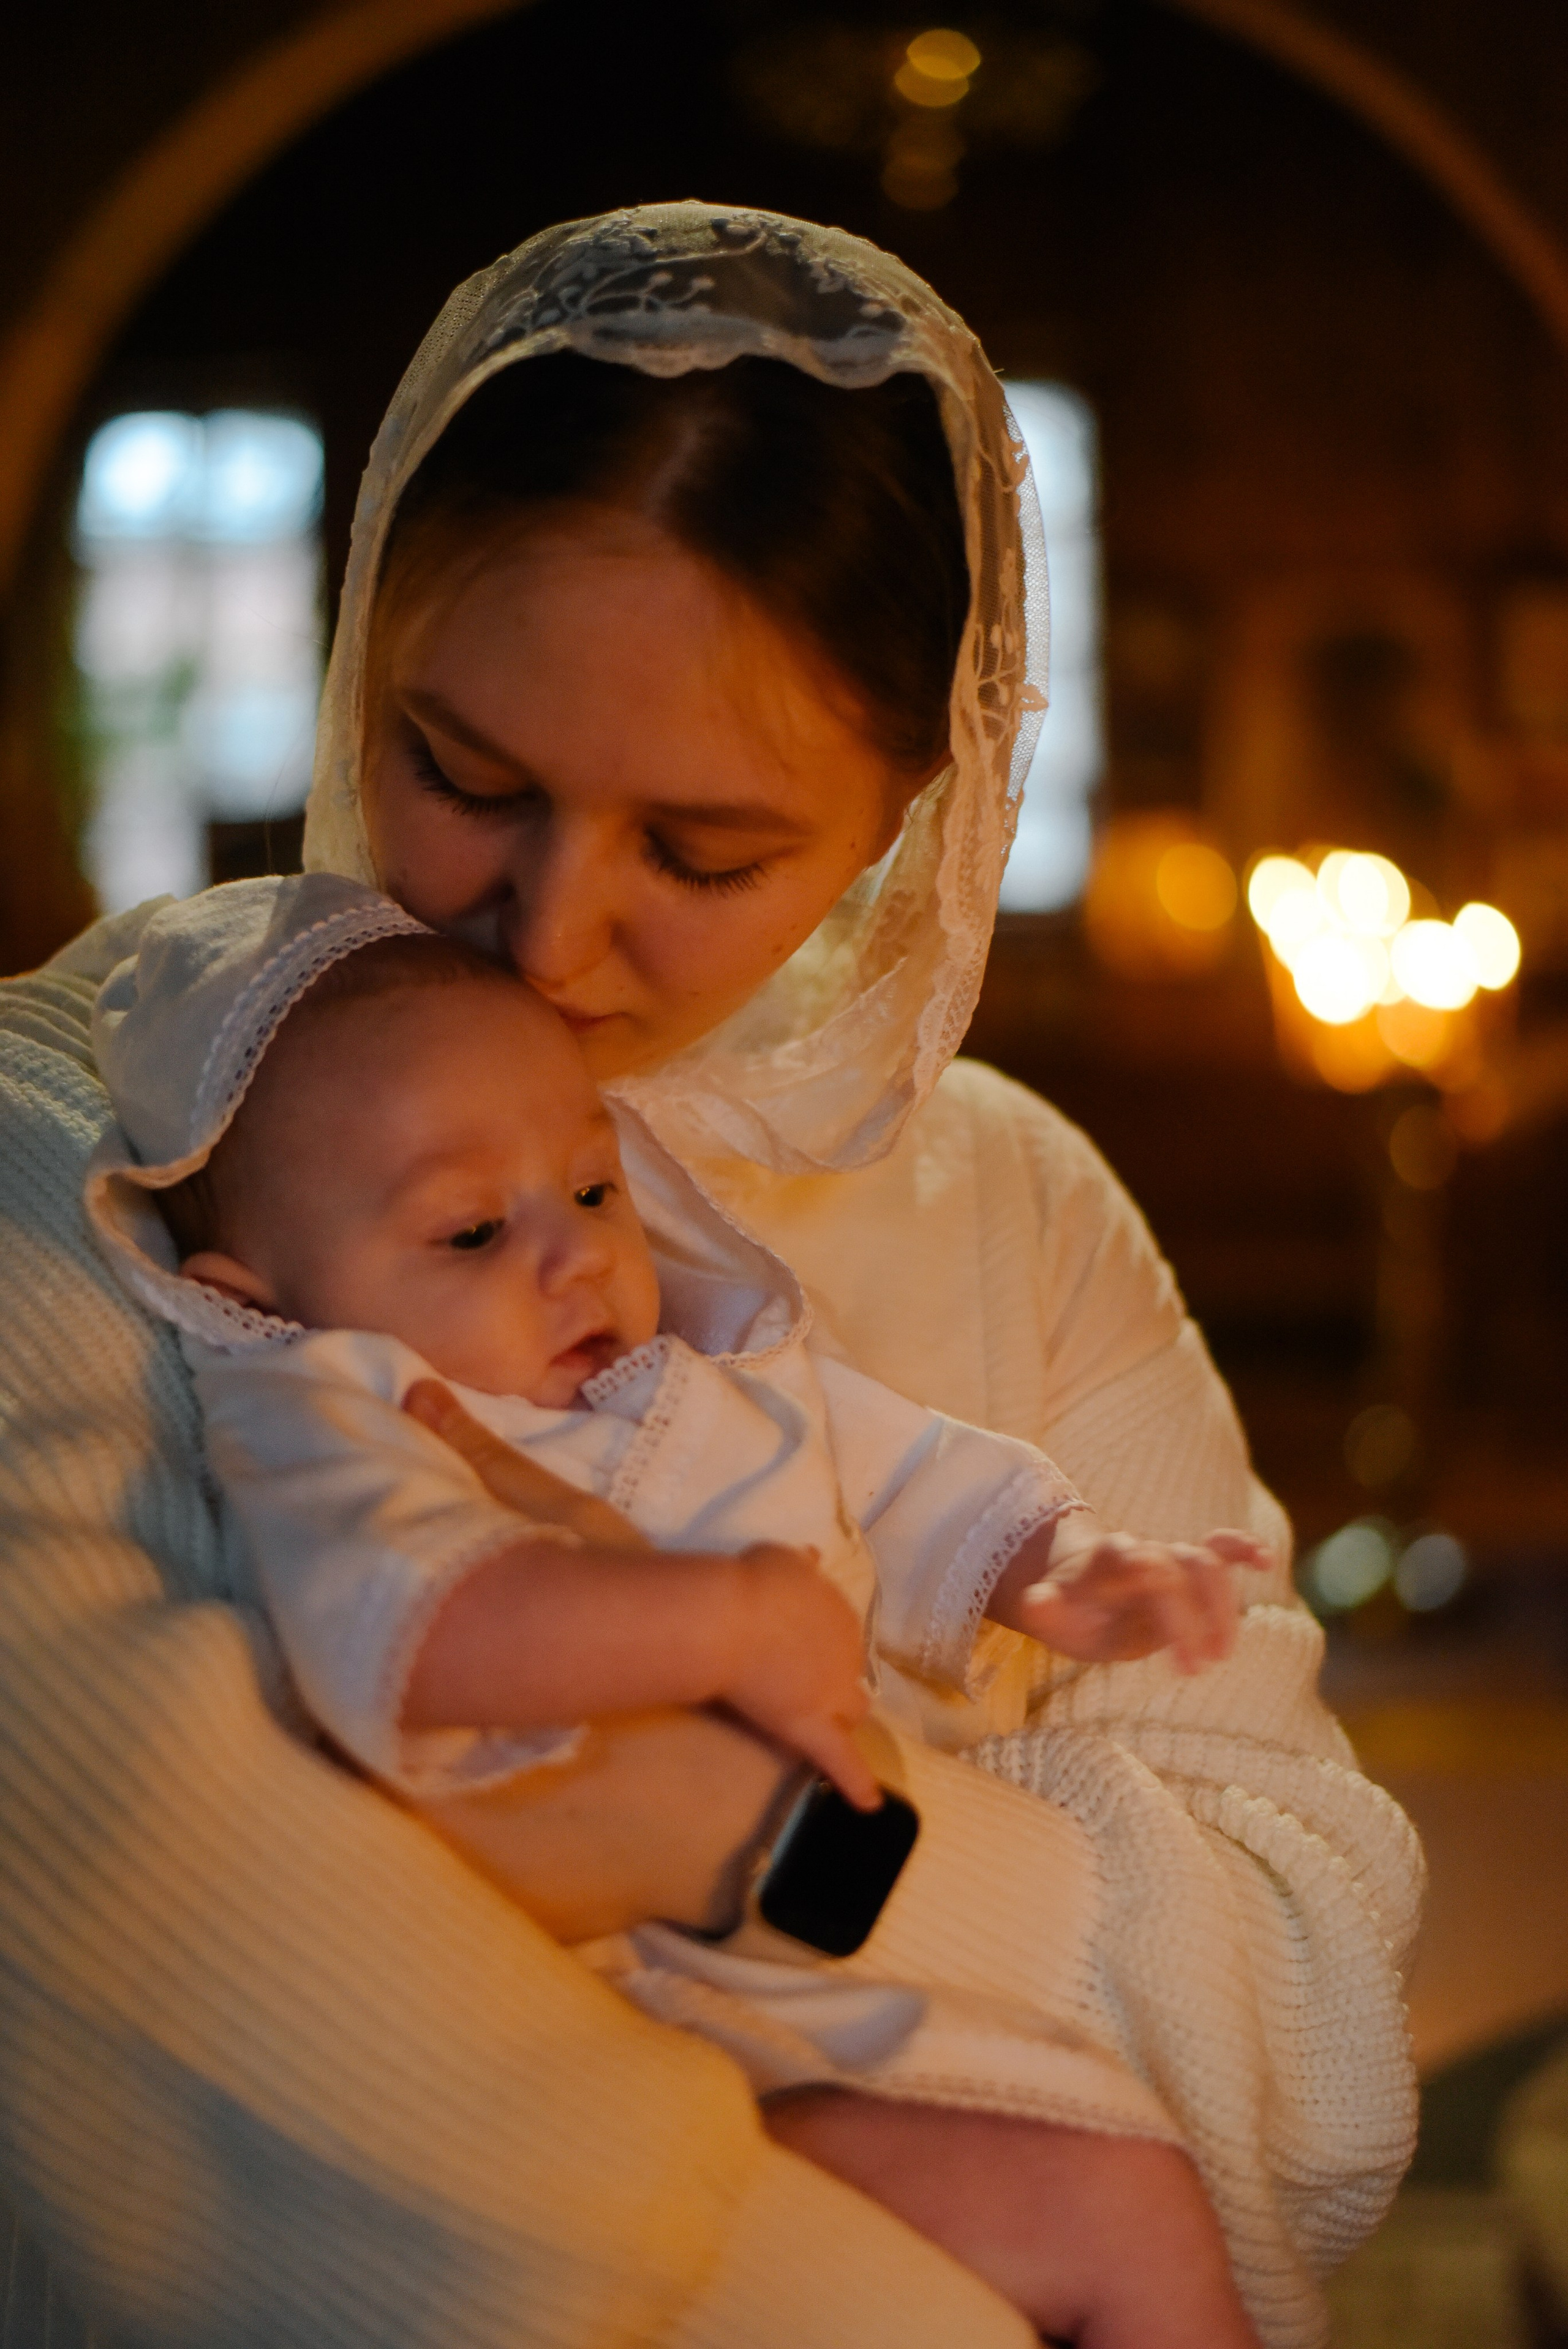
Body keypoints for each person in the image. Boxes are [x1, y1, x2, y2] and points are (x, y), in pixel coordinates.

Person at [0, 203, 1422, 2349]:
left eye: (702, 851)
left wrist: (761, 1829)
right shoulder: (94, 1120)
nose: (546, 940)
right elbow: (150, 1931)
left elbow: (1318, 2030)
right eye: (462, 775)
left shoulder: (1020, 1208)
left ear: (908, 810)